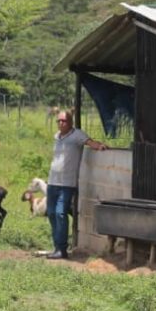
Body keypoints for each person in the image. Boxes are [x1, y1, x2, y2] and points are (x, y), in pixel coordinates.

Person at [45, 109, 108, 259]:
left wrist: (100, 146)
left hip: (67, 183)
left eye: (64, 121)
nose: (61, 123)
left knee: (61, 213)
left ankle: (62, 249)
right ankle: (56, 247)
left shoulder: (77, 135)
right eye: (59, 121)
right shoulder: (57, 137)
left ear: (71, 122)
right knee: (52, 214)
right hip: (52, 181)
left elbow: (90, 142)